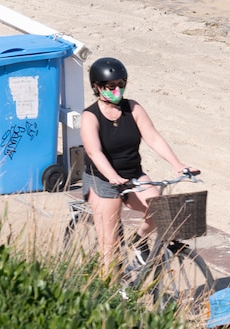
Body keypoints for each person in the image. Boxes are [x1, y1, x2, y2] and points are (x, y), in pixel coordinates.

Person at [80, 57, 196, 275]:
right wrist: (111, 175)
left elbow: (152, 137)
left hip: (133, 175)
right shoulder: (90, 116)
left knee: (160, 211)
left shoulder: (132, 108)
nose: (117, 90)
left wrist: (176, 164)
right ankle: (110, 294)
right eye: (110, 86)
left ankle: (138, 240)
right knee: (110, 246)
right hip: (102, 180)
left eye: (121, 84)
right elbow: (94, 152)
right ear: (97, 87)